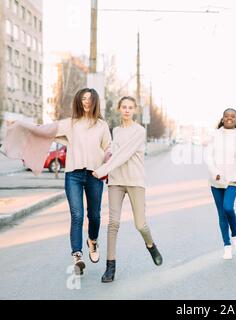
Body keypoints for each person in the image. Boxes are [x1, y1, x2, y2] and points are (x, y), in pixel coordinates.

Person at [1, 88, 112, 274]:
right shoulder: (70, 123)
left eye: (90, 99)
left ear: (95, 102)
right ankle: (77, 256)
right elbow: (46, 130)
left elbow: (108, 147)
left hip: (94, 175)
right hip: (73, 175)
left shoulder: (102, 125)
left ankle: (92, 241)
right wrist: (23, 125)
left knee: (94, 215)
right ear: (78, 101)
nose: (86, 102)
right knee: (76, 215)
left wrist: (109, 159)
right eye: (83, 98)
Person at [93, 96, 163, 283]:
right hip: (116, 180)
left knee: (140, 224)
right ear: (119, 109)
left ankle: (150, 245)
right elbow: (111, 153)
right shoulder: (114, 130)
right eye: (123, 107)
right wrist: (104, 157)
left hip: (135, 181)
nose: (126, 110)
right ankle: (110, 267)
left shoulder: (139, 131)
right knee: (113, 223)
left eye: (130, 107)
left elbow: (123, 154)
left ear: (135, 110)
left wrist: (102, 171)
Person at [205, 108, 236, 260]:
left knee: (228, 207)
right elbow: (208, 156)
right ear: (222, 118)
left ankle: (235, 235)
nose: (229, 118)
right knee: (221, 214)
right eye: (227, 116)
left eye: (233, 116)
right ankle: (227, 246)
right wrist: (214, 172)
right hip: (216, 180)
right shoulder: (214, 135)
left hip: (233, 179)